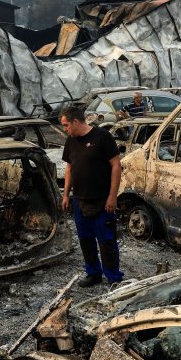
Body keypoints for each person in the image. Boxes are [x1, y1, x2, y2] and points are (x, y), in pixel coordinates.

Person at [60, 106, 124, 287]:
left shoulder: (102, 137)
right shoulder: (71, 141)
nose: (65, 129)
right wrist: (66, 194)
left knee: (107, 241)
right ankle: (93, 273)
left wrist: (113, 197)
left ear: (75, 122)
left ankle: (113, 278)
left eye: (66, 125)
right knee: (85, 240)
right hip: (80, 200)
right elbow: (69, 168)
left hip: (102, 201)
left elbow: (116, 166)